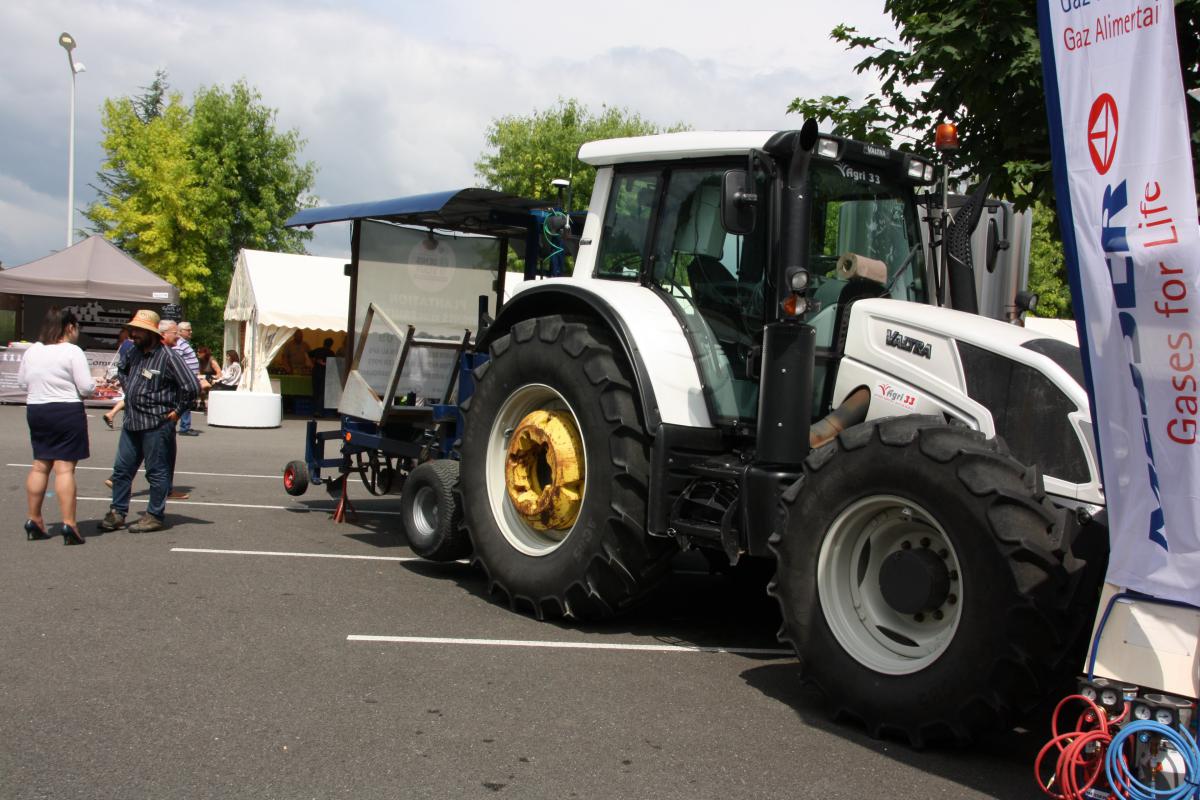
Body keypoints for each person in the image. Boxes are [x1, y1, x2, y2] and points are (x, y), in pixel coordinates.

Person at [98, 309, 199, 534]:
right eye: (132, 330)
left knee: (156, 472)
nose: (133, 334)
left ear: (151, 333)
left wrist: (178, 412)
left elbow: (192, 387)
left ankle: (154, 515)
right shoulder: (133, 352)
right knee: (122, 470)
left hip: (157, 424)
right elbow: (122, 370)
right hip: (132, 422)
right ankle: (117, 512)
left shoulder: (169, 356)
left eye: (138, 330)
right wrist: (130, 389)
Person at [17, 307, 96, 545]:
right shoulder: (72, 351)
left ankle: (34, 519)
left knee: (40, 465)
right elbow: (86, 387)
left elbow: (22, 383)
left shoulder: (33, 350)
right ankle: (69, 524)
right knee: (64, 469)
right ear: (69, 327)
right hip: (66, 409)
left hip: (37, 409)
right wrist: (96, 383)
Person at [172, 321, 204, 435]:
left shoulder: (183, 343)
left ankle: (183, 426)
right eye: (188, 330)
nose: (191, 332)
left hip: (188, 377)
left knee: (185, 401)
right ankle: (183, 427)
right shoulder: (179, 343)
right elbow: (177, 360)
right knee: (185, 401)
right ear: (180, 331)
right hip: (184, 379)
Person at [307, 337, 336, 416]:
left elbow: (307, 354)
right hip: (324, 374)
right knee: (322, 393)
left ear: (323, 343)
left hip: (315, 373)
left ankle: (314, 410)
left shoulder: (318, 350)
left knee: (315, 392)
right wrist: (324, 364)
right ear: (331, 345)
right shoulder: (331, 353)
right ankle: (319, 411)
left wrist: (312, 362)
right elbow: (332, 364)